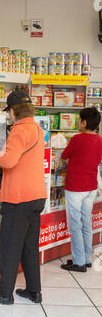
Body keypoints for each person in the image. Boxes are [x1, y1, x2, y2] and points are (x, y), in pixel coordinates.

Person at [0, 91, 47, 305]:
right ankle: (34, 291)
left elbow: (8, 160)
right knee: (29, 247)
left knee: (9, 246)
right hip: (36, 196)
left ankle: (3, 293)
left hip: (19, 198)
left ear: (12, 111)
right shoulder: (36, 128)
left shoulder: (19, 131)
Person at [60, 107, 102, 272]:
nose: (77, 122)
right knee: (86, 223)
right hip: (91, 188)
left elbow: (64, 155)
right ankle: (86, 258)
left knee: (75, 225)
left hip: (76, 187)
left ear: (84, 122)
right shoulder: (99, 139)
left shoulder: (77, 139)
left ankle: (78, 262)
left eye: (79, 120)